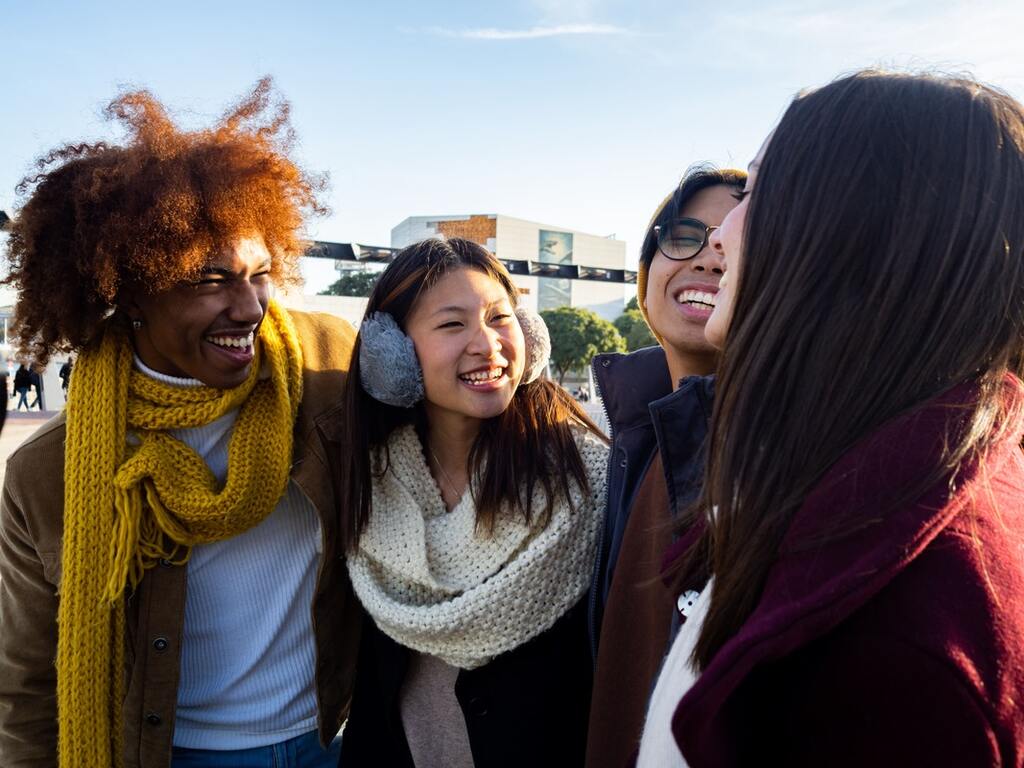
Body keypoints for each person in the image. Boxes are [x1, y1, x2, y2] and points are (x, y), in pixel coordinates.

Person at [639, 70, 1024, 766]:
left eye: (755, 191)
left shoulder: (899, 645)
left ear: (853, 230)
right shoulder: (854, 493)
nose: (718, 237)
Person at [0, 79, 360, 768]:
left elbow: (460, 389)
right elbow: (26, 684)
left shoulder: (325, 365)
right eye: (210, 279)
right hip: (175, 754)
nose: (250, 305)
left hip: (337, 741)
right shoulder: (47, 473)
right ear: (130, 290)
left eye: (258, 274)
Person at [335, 236, 608, 768]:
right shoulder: (371, 481)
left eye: (500, 318)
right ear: (391, 353)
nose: (487, 344)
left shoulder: (585, 472)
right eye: (452, 324)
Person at [585, 166, 744, 768]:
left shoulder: (770, 454)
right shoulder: (635, 432)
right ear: (646, 269)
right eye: (684, 236)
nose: (707, 258)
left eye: (729, 241)